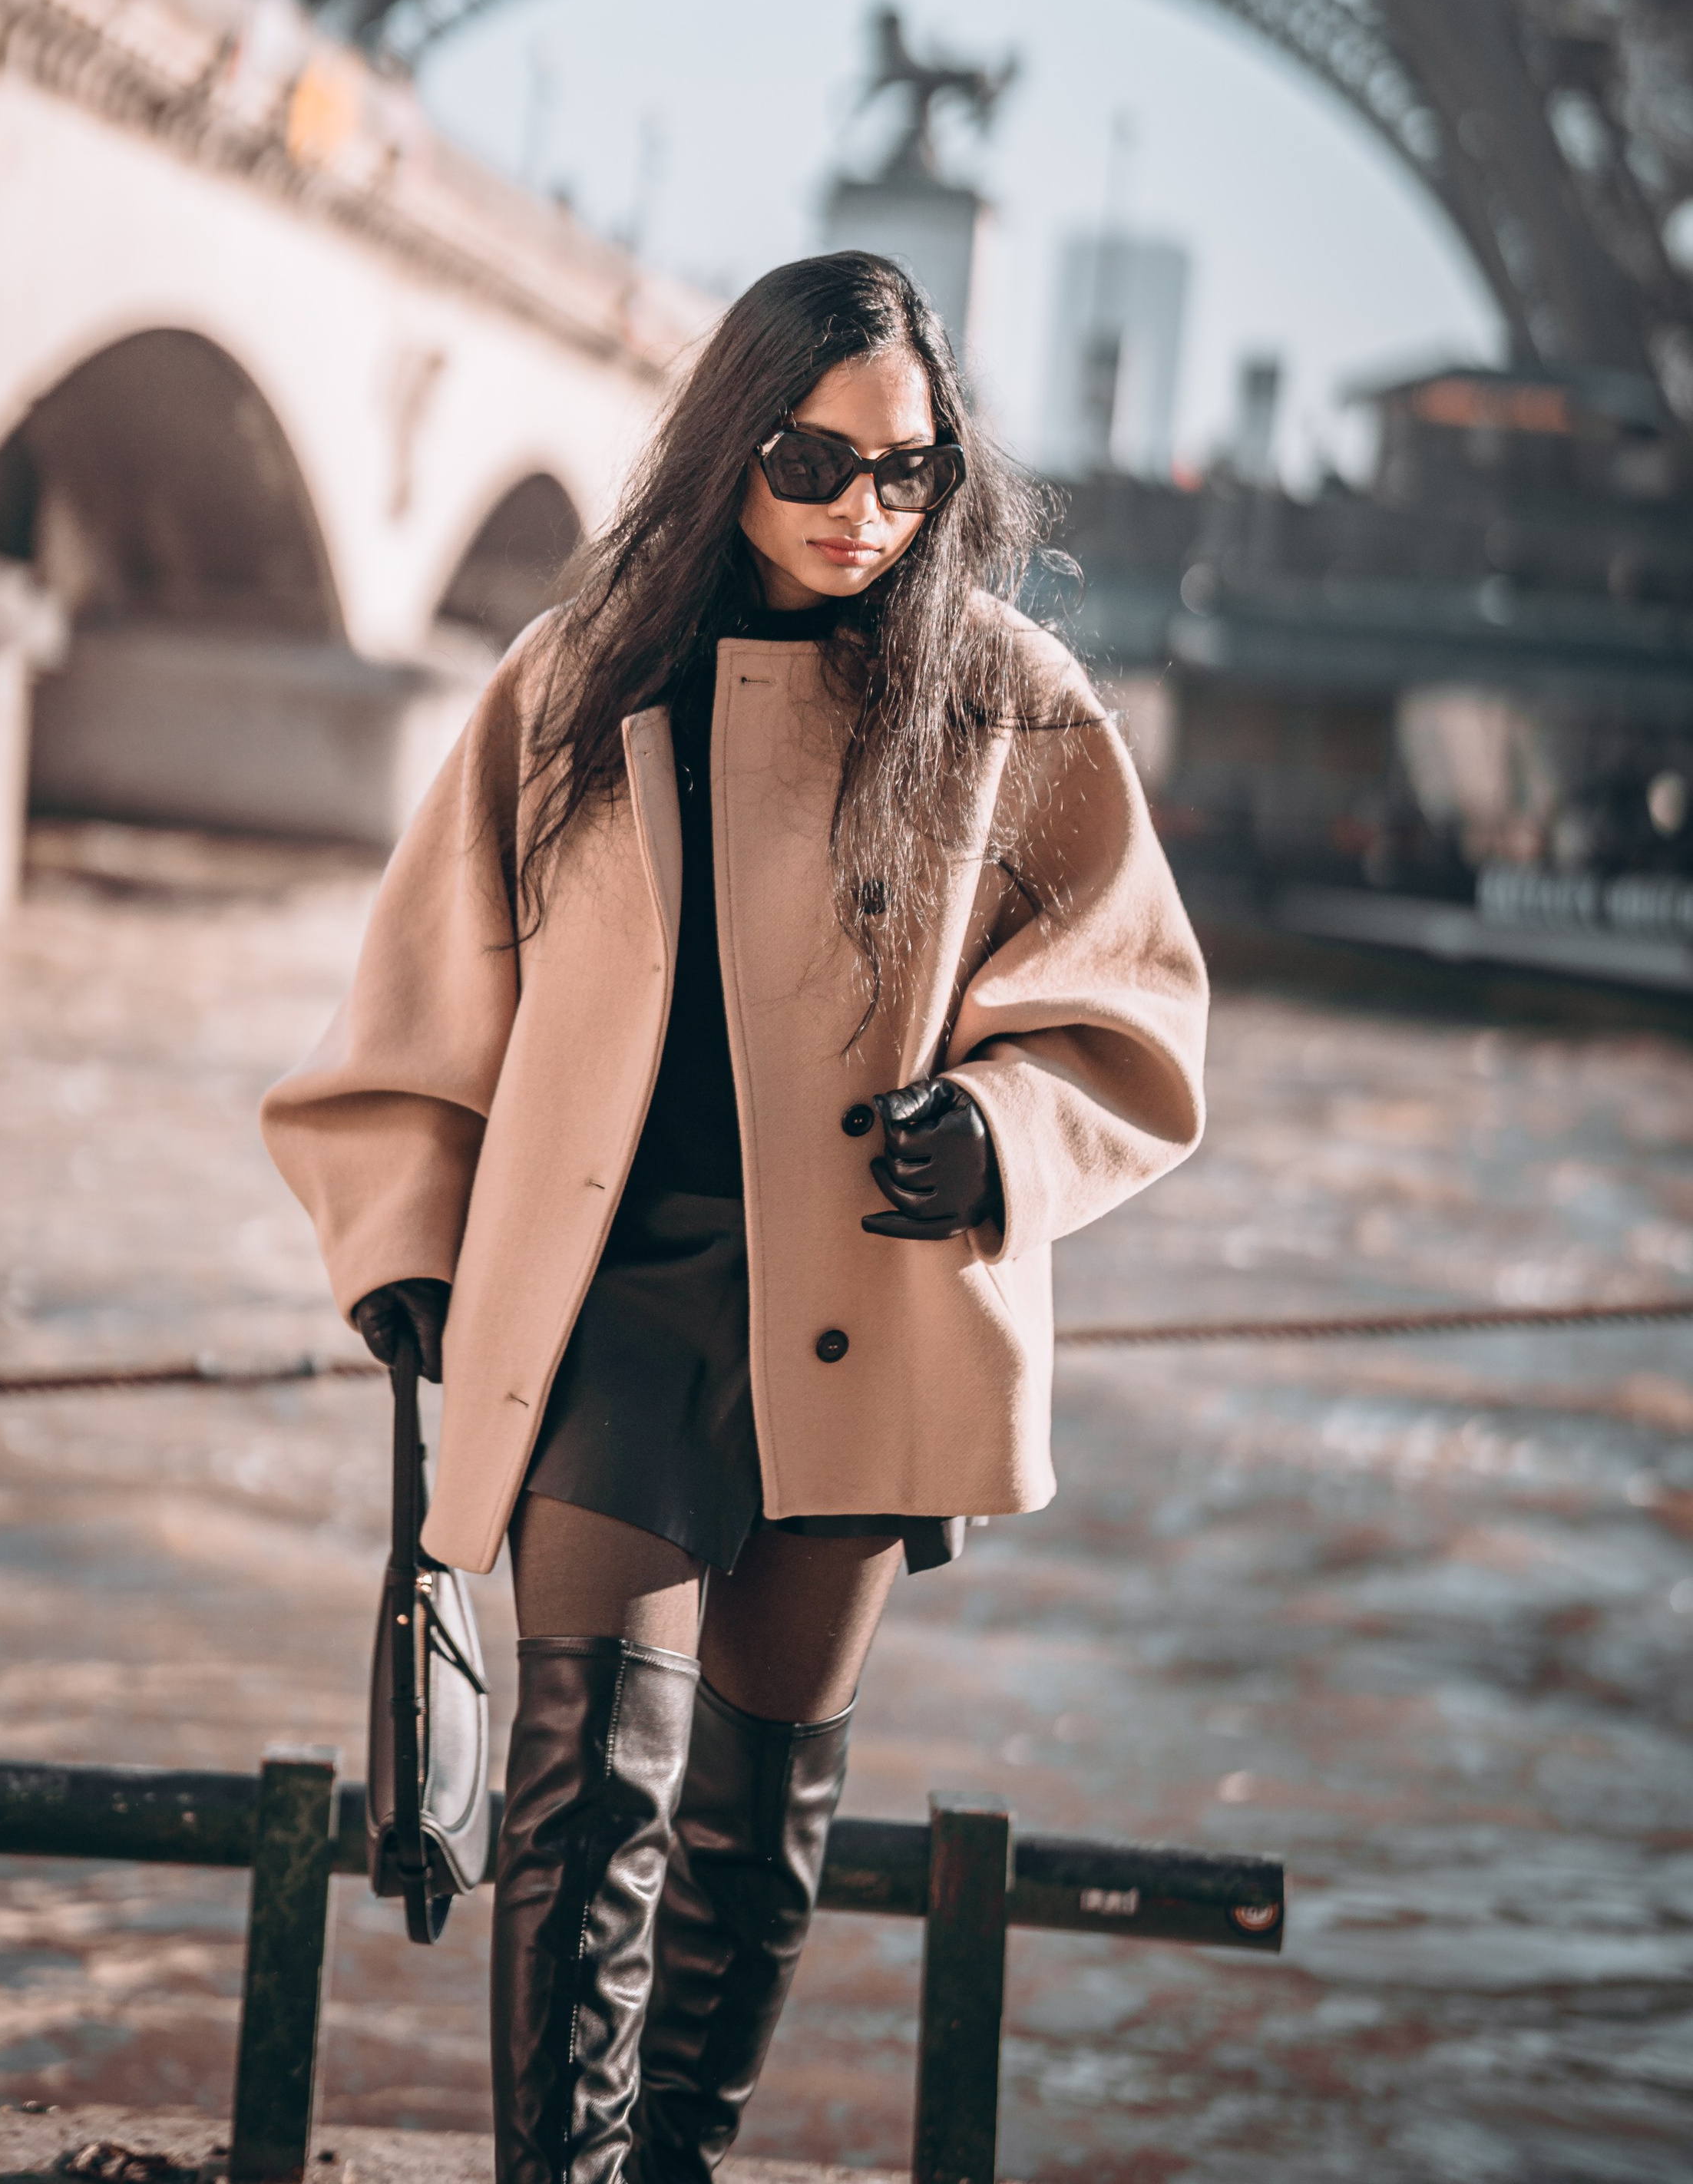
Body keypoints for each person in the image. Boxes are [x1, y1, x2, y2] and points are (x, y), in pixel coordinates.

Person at [261, 250, 1208, 2184]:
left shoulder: (1013, 706)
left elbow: (1131, 1001)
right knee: (583, 1792)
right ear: (727, 446)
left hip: (864, 1301)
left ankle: (675, 2166)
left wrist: (1003, 1134)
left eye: (908, 474)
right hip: (611, 1300)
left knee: (753, 1824)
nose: (863, 510)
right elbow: (430, 1004)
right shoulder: (580, 677)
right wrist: (406, 1248)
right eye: (813, 461)